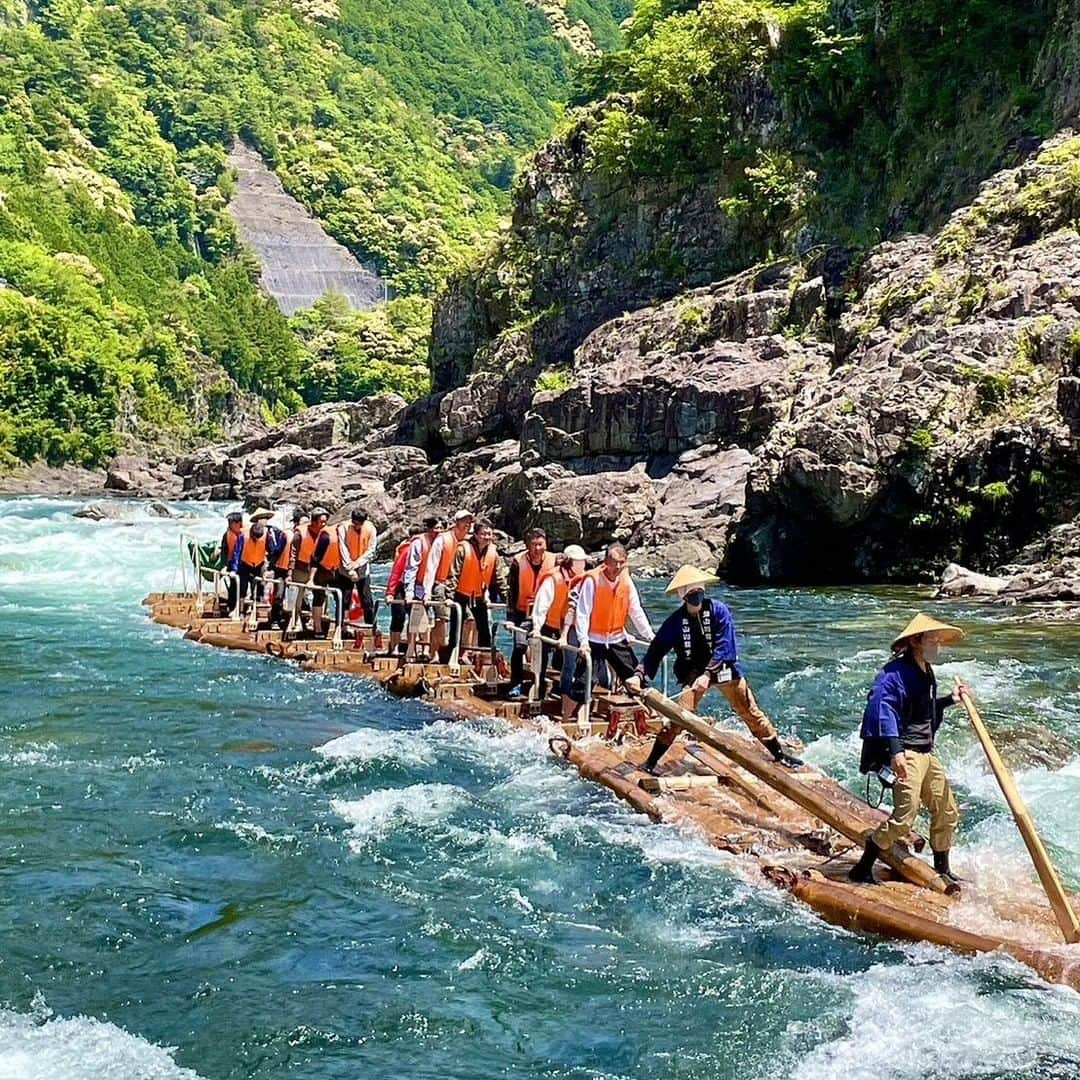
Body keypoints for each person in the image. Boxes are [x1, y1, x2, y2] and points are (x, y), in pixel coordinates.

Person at [631, 566, 803, 773]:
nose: (696, 596)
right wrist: (639, 675)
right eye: (691, 593)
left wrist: (708, 674)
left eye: (699, 592)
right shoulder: (675, 621)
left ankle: (779, 755)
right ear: (683, 596)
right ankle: (651, 763)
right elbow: (656, 650)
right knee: (677, 718)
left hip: (723, 668)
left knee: (750, 712)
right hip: (694, 674)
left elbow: (725, 645)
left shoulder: (719, 610)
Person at [849, 613, 968, 886]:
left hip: (925, 752)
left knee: (946, 809)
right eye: (932, 639)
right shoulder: (894, 674)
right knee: (904, 818)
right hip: (907, 752)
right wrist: (895, 751)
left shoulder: (926, 671)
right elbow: (883, 709)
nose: (937, 645)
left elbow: (923, 711)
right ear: (916, 641)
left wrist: (951, 699)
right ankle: (863, 867)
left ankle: (943, 869)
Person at [571, 543, 653, 702]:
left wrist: (649, 635)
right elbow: (583, 612)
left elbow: (635, 610)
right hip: (593, 639)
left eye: (621, 562)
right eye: (614, 561)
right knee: (583, 682)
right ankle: (571, 718)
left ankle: (647, 716)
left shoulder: (627, 581)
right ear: (606, 561)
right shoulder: (592, 580)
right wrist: (583, 641)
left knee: (636, 679)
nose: (617, 566)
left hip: (616, 638)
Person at [530, 545, 587, 704]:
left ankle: (565, 694)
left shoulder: (582, 579)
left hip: (567, 627)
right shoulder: (553, 579)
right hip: (548, 625)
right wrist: (537, 627)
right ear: (569, 562)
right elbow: (541, 606)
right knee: (541, 660)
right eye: (579, 562)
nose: (582, 565)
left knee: (571, 662)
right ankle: (538, 690)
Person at [506, 528, 557, 697]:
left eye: (540, 544)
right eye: (534, 545)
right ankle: (516, 682)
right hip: (522, 612)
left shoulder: (555, 561)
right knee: (520, 646)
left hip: (545, 614)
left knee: (545, 648)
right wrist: (510, 618)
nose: (537, 548)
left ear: (546, 544)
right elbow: (511, 591)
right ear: (528, 545)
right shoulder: (517, 562)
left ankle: (541, 683)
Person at [448, 518, 508, 657]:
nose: (487, 537)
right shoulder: (463, 548)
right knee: (458, 624)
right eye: (483, 534)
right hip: (460, 594)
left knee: (483, 628)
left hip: (479, 595)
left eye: (489, 534)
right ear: (475, 534)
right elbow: (454, 573)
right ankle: (454, 654)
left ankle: (484, 657)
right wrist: (449, 596)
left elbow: (499, 578)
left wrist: (507, 598)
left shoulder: (493, 552)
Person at [421, 510, 474, 659]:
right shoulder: (443, 539)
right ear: (456, 523)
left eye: (469, 522)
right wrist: (427, 591)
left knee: (469, 619)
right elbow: (431, 565)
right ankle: (435, 653)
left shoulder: (469, 543)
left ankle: (463, 653)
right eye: (464, 521)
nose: (467, 525)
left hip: (461, 587)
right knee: (442, 618)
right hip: (441, 584)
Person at [403, 516, 443, 660]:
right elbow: (411, 568)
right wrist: (409, 591)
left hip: (436, 585)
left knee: (434, 620)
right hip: (418, 586)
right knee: (417, 617)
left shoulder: (444, 542)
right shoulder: (418, 543)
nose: (438, 531)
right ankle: (411, 648)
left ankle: (428, 650)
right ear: (428, 528)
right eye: (435, 528)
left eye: (440, 528)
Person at [291, 507, 330, 636]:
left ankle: (317, 622)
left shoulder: (326, 534)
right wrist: (289, 572)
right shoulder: (299, 534)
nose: (324, 525)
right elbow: (292, 553)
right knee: (298, 596)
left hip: (318, 568)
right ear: (313, 522)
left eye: (325, 521)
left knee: (321, 595)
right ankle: (296, 622)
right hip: (301, 567)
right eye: (321, 522)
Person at [336, 508, 378, 626]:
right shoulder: (343, 528)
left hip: (363, 568)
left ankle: (371, 626)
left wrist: (358, 563)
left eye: (360, 524)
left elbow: (371, 550)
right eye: (355, 523)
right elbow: (342, 548)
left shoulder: (371, 529)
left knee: (367, 599)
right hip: (346, 569)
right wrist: (350, 567)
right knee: (344, 599)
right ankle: (342, 626)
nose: (357, 526)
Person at [385, 526, 422, 656]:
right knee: (398, 617)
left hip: (418, 587)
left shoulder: (426, 549)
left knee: (415, 618)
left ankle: (411, 648)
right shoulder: (406, 550)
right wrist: (390, 592)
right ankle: (394, 647)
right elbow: (396, 572)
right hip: (401, 586)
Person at [269, 507, 304, 628]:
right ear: (296, 523)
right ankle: (275, 619)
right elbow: (277, 551)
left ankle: (301, 620)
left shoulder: (308, 536)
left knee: (302, 596)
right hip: (282, 569)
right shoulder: (287, 535)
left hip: (298, 569)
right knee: (279, 594)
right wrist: (270, 568)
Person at [220, 512, 244, 613]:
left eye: (231, 522)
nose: (229, 524)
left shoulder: (246, 534)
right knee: (233, 585)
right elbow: (224, 551)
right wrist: (224, 565)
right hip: (231, 563)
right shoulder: (227, 535)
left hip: (245, 564)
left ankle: (242, 609)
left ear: (238, 523)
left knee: (243, 586)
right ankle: (232, 606)